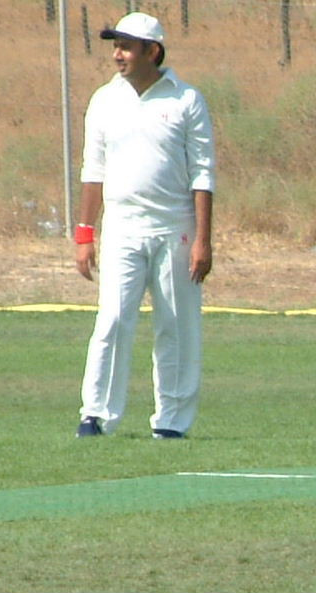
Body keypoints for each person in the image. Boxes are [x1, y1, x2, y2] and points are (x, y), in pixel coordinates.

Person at [74, 12, 216, 439]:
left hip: (176, 228)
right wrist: (85, 234)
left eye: (126, 47)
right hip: (122, 227)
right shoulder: (105, 100)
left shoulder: (186, 99)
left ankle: (172, 422)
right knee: (114, 320)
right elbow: (93, 170)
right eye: (115, 46)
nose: (117, 55)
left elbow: (202, 173)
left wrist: (203, 241)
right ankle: (97, 415)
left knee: (176, 326)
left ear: (152, 51)